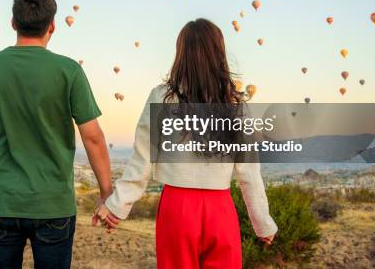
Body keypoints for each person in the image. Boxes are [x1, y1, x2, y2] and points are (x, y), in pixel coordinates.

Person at [95, 18, 278, 269]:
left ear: (181, 53)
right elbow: (249, 172)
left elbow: (142, 157)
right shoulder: (235, 104)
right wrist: (263, 222)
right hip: (220, 209)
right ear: (219, 53)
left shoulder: (161, 96)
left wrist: (117, 205)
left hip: (177, 208)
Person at [0, 0, 112, 269]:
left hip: (2, 203)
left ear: (13, 23)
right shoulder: (69, 71)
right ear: (52, 25)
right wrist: (106, 192)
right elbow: (93, 138)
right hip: (54, 205)